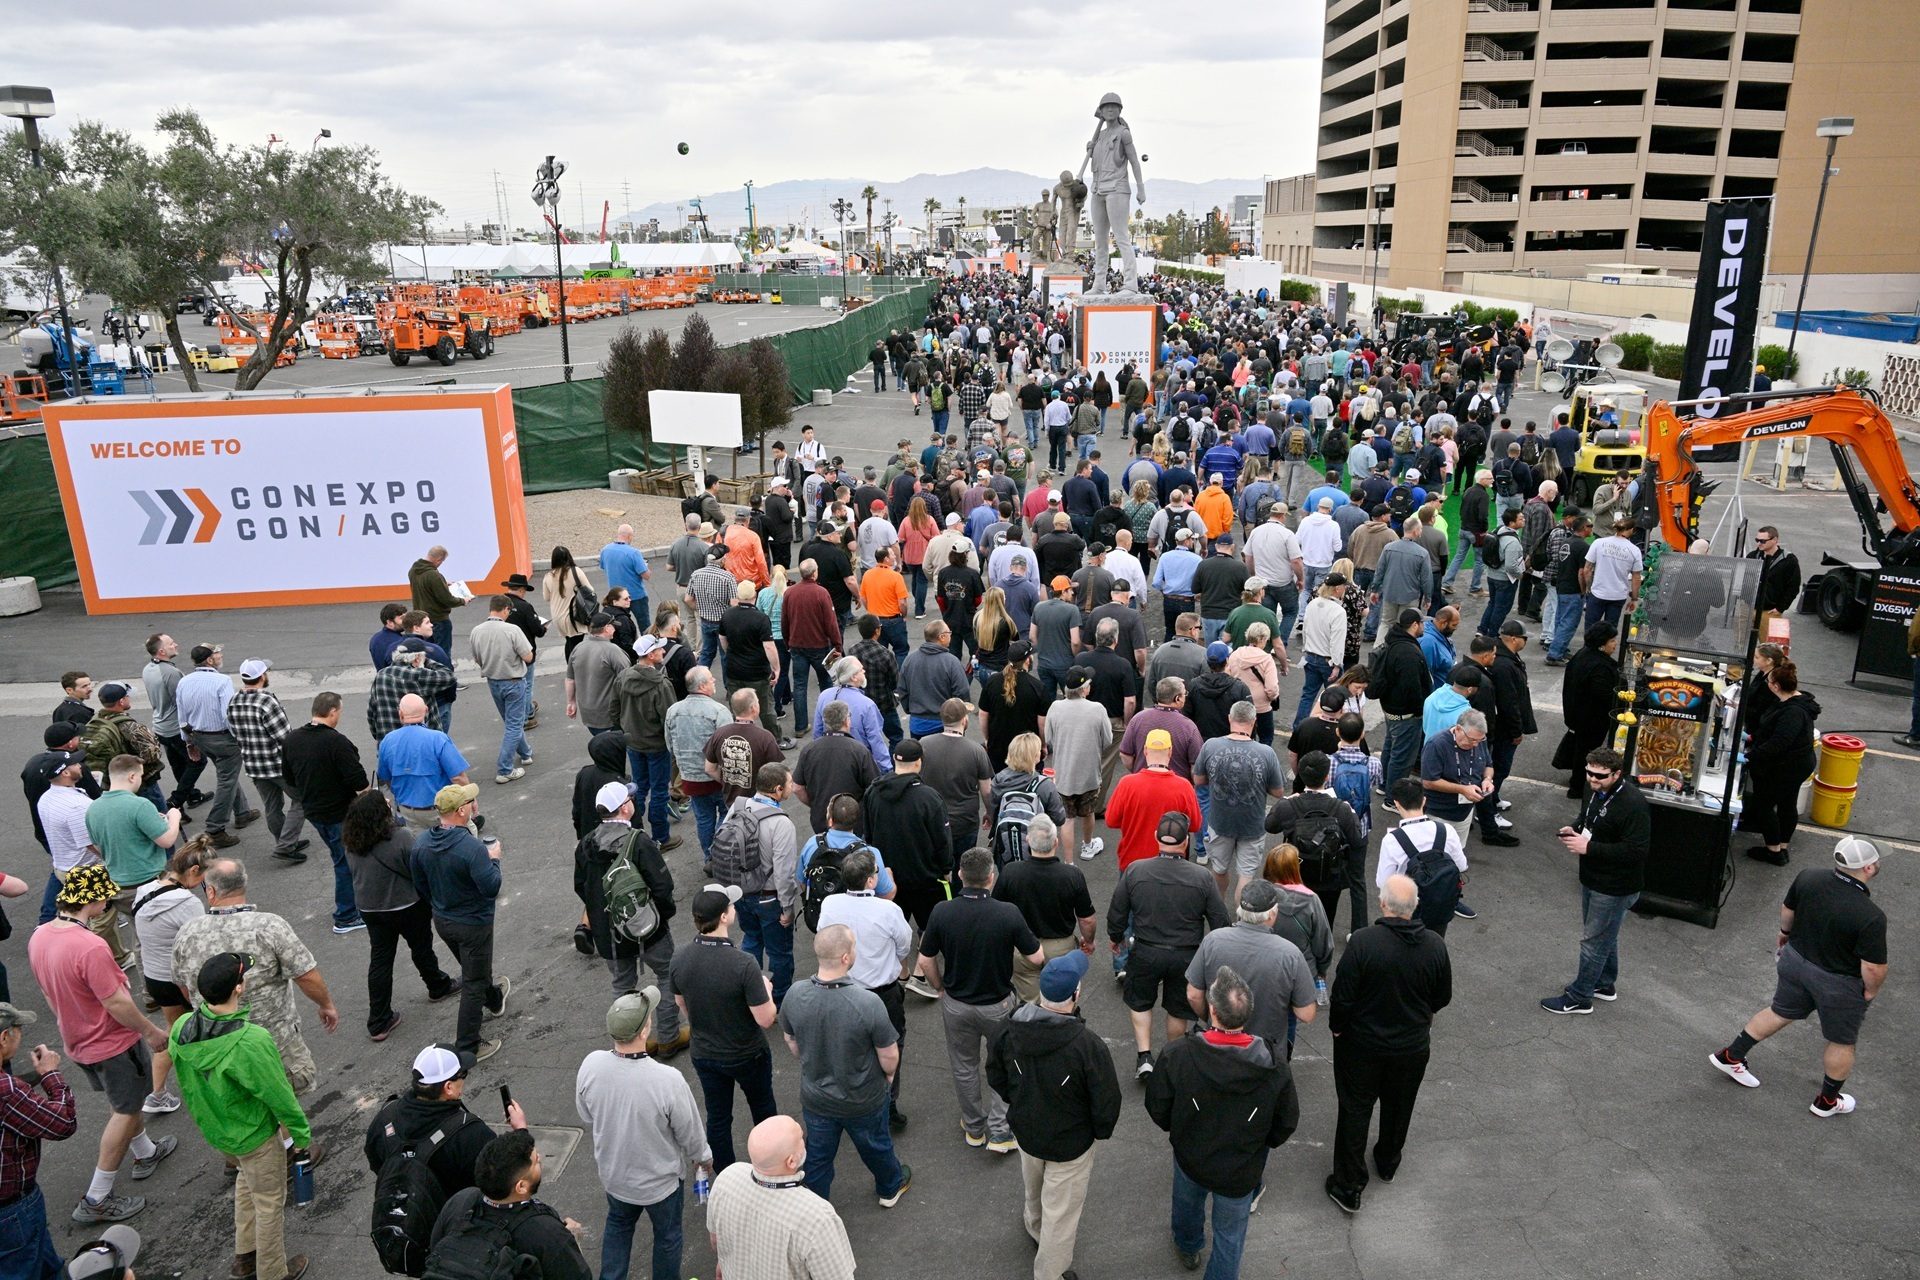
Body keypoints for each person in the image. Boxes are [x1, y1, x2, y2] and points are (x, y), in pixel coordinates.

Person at [27, 865, 173, 1226]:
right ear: (93, 900)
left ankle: (145, 1152)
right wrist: (151, 1032)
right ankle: (97, 1196)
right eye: (104, 895)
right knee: (124, 1110)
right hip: (112, 1043)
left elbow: (49, 993)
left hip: (77, 1040)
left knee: (124, 1099)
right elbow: (117, 1003)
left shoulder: (40, 936)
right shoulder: (91, 946)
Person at [1709, 836, 1888, 1118]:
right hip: (1837, 983)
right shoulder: (1870, 916)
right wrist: (1871, 991)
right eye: (1875, 861)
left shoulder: (1809, 877)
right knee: (1842, 1041)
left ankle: (1731, 1055)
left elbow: (1787, 910)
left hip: (1795, 962)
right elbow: (1873, 968)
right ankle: (1827, 1101)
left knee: (1780, 1011)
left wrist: (1784, 935)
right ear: (1866, 869)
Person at [1146, 967, 1300, 1278]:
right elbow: (1286, 1122)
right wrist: (1259, 1143)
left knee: (1187, 1207)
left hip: (1192, 1155)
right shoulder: (1273, 1065)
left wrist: (1179, 1130)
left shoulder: (1178, 1054)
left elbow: (1157, 1106)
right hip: (1241, 1168)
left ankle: (1188, 1245)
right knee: (1230, 1239)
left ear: (1212, 1010)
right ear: (1247, 1012)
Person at [170, 953, 313, 1280]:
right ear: (239, 987)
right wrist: (301, 1137)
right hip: (255, 1135)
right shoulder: (250, 1040)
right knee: (269, 1204)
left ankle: (245, 1258)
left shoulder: (181, 1027)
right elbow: (279, 1096)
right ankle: (273, 1273)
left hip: (219, 1132)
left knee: (246, 1184)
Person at [986, 950, 1121, 1280]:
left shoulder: (1007, 1029)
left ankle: (1035, 1229)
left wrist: (1018, 1105)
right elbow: (1106, 1103)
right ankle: (1050, 1271)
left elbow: (996, 1075)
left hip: (1027, 1132)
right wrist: (1097, 1132)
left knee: (1034, 1189)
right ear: (1075, 995)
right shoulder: (1087, 1046)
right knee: (1061, 1216)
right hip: (1070, 1145)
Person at [1324, 874, 1453, 1216]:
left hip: (1362, 1046)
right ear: (1414, 908)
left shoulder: (1364, 943)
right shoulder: (1435, 946)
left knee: (1355, 1109)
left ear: (1383, 904)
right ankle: (1388, 1161)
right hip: (1410, 1048)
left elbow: (1343, 996)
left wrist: (1338, 1029)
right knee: (1400, 1105)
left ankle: (1348, 1185)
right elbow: (1442, 997)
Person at [574, 988, 710, 1280]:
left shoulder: (591, 1065)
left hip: (615, 1178)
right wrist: (703, 1159)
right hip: (660, 1184)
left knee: (619, 1227)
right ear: (645, 1029)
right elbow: (690, 1132)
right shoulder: (666, 1079)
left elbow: (586, 1115)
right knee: (668, 1237)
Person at [916, 846, 1042, 1154]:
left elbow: (925, 959)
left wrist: (940, 987)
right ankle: (1000, 1130)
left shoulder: (942, 912)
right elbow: (1036, 957)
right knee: (1005, 1062)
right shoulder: (1007, 913)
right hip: (998, 1004)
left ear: (960, 875)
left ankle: (974, 1127)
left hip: (957, 1003)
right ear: (991, 877)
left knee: (964, 1065)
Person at [778, 925, 910, 1206]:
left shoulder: (795, 994)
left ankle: (816, 1206)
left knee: (817, 1156)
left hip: (817, 1097)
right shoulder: (868, 1002)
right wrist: (886, 1079)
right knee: (876, 1145)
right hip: (863, 1097)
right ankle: (890, 1187)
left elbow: (792, 1043)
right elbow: (888, 1054)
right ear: (846, 958)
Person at [1109, 813, 1229, 1081]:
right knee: (1178, 1008)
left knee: (1140, 1001)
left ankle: (1144, 1056)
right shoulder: (1202, 877)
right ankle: (1170, 1057)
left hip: (1145, 950)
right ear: (1186, 842)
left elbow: (1117, 912)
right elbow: (1220, 921)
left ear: (1156, 838)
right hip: (1186, 955)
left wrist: (1115, 938)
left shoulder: (1135, 870)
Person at [1540, 749, 1651, 1015]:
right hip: (1593, 878)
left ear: (1616, 774)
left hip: (1615, 887)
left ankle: (1580, 997)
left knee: (1593, 943)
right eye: (1589, 773)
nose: (1592, 779)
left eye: (1600, 776)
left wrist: (1589, 848)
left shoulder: (1633, 804)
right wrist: (1574, 828)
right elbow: (1587, 819)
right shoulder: (1592, 789)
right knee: (1604, 937)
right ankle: (1604, 984)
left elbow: (1637, 851)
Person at [342, 792, 456, 1042]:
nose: (389, 804)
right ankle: (437, 985)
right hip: (407, 905)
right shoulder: (400, 837)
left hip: (370, 909)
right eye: (385, 804)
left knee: (381, 960)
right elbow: (417, 868)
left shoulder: (351, 841)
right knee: (421, 947)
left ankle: (379, 1020)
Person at [409, 785, 509, 1061]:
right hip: (473, 923)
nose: (474, 803)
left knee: (473, 968)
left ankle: (494, 998)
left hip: (444, 920)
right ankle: (468, 1046)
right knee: (473, 981)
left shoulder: (421, 843)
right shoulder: (472, 848)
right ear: (462, 810)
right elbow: (491, 887)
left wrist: (440, 906)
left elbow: (420, 885)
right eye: (470, 800)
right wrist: (495, 860)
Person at [816, 851, 915, 1129]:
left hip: (842, 991)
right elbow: (904, 946)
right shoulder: (889, 911)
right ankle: (888, 1103)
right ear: (871, 880)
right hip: (883, 994)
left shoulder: (831, 903)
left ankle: (855, 1100)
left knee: (850, 1047)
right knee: (892, 1045)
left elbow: (824, 936)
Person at [426, 1129, 592, 1280]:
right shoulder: (548, 1233)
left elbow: (435, 1249)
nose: (540, 1159)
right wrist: (573, 1240)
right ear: (521, 1186)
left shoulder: (461, 1201)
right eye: (535, 1161)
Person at [707, 1116, 858, 1280]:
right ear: (791, 1161)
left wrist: (724, 1263)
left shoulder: (727, 1178)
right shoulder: (817, 1218)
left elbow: (716, 1240)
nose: (804, 1140)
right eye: (801, 1138)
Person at [280, 691, 371, 935]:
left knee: (340, 856)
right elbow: (359, 781)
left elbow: (288, 777)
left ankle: (352, 905)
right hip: (339, 813)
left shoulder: (292, 739)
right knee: (345, 861)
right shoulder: (336, 742)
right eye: (339, 711)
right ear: (332, 712)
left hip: (313, 810)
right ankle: (346, 916)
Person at [0, 1003, 75, 1278]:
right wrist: (50, 1074)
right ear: (4, 1037)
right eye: (18, 1029)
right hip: (12, 1211)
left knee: (49, 1268)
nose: (21, 1035)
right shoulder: (6, 1090)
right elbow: (63, 1123)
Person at [1266, 750, 1370, 943]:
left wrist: (1284, 801)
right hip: (1330, 876)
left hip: (1295, 873)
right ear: (1327, 776)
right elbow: (1356, 840)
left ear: (1301, 775)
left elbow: (1270, 826)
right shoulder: (1342, 808)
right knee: (1325, 921)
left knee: (1292, 918)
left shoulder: (1289, 806)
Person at [993, 815, 1097, 1002]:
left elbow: (997, 911)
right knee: (1062, 1000)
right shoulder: (1072, 875)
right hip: (1061, 948)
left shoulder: (1011, 872)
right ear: (1056, 842)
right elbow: (1086, 919)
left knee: (1029, 1003)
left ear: (1027, 841)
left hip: (1023, 947)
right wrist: (1088, 941)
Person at [1191, 702, 1287, 900]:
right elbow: (1278, 791)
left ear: (1229, 718)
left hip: (1219, 823)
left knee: (1218, 871)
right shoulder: (1266, 753)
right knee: (1246, 876)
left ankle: (1217, 914)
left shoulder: (1211, 746)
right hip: (1252, 826)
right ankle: (1242, 921)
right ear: (1253, 722)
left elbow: (1198, 780)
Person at [176, 644, 261, 849]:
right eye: (217, 654)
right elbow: (227, 716)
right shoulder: (222, 681)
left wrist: (189, 742)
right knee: (226, 779)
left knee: (226, 775)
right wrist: (240, 737)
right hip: (222, 738)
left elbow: (182, 715)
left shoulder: (184, 682)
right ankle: (215, 828)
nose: (221, 655)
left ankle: (241, 813)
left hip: (199, 737)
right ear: (210, 660)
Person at [1742, 660, 1820, 866]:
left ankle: (1774, 851)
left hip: (1787, 766)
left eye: (1769, 682)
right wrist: (1751, 738)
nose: (1766, 684)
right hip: (1799, 763)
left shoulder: (1792, 712)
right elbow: (1772, 730)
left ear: (1776, 686)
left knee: (1764, 805)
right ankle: (1782, 845)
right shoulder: (1792, 700)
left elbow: (1779, 743)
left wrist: (1750, 756)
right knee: (1787, 803)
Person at [1377, 778, 1469, 935]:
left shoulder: (1393, 840)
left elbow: (1382, 881)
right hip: (1440, 907)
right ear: (1424, 800)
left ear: (1397, 803)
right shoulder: (1446, 830)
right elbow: (1461, 865)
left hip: (1407, 909)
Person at [1042, 669, 1112, 862]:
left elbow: (1048, 738)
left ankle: (1068, 861)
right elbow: (1108, 740)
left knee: (1067, 818)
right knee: (1088, 812)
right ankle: (1088, 846)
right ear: (1084, 689)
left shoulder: (1055, 707)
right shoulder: (1097, 709)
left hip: (1063, 774)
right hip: (1089, 774)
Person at [470, 595, 537, 786]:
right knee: (514, 725)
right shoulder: (512, 630)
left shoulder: (476, 631)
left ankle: (525, 753)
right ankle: (504, 769)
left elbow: (477, 658)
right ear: (507, 609)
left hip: (493, 681)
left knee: (510, 722)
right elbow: (528, 656)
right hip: (514, 681)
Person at [664, 667, 731, 858]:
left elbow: (670, 745)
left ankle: (708, 856)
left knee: (703, 818)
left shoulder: (673, 711)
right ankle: (719, 851)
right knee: (727, 813)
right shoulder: (718, 711)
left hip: (690, 778)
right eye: (711, 679)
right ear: (702, 685)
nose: (715, 681)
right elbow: (728, 747)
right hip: (717, 777)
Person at [1370, 609, 1433, 795]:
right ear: (1414, 625)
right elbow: (1411, 688)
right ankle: (1393, 797)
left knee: (1391, 749)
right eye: (1422, 623)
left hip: (1391, 709)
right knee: (1402, 758)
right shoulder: (1408, 652)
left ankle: (1384, 785)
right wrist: (1420, 710)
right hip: (1406, 714)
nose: (1424, 626)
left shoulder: (1394, 641)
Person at [1555, 624, 1621, 798]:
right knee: (1586, 752)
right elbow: (1604, 695)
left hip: (1578, 715)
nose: (1615, 644)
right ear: (1602, 643)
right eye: (1612, 641)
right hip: (1591, 719)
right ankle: (1578, 787)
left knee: (1580, 748)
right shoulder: (1599, 666)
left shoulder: (1583, 655)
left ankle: (1576, 783)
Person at [407, 545, 473, 654]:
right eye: (441, 562)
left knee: (427, 653)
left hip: (422, 620)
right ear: (438, 560)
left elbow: (424, 585)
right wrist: (463, 601)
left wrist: (442, 584)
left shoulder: (413, 570)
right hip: (438, 621)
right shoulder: (434, 575)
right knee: (442, 653)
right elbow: (447, 599)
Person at [1580, 517, 1643, 631]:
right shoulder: (1634, 550)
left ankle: (1590, 648)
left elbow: (1587, 569)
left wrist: (1589, 588)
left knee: (1590, 629)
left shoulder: (1599, 543)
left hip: (1598, 593)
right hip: (1618, 596)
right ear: (1631, 530)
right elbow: (1636, 577)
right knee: (1610, 631)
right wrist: (1634, 598)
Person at [1748, 524, 1802, 632]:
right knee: (1740, 645)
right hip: (1748, 608)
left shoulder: (1788, 561)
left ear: (1775, 540)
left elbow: (1793, 587)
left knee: (1770, 646)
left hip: (1769, 611)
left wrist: (1780, 608)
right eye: (1757, 540)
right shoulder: (1752, 556)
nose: (1759, 543)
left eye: (1763, 541)